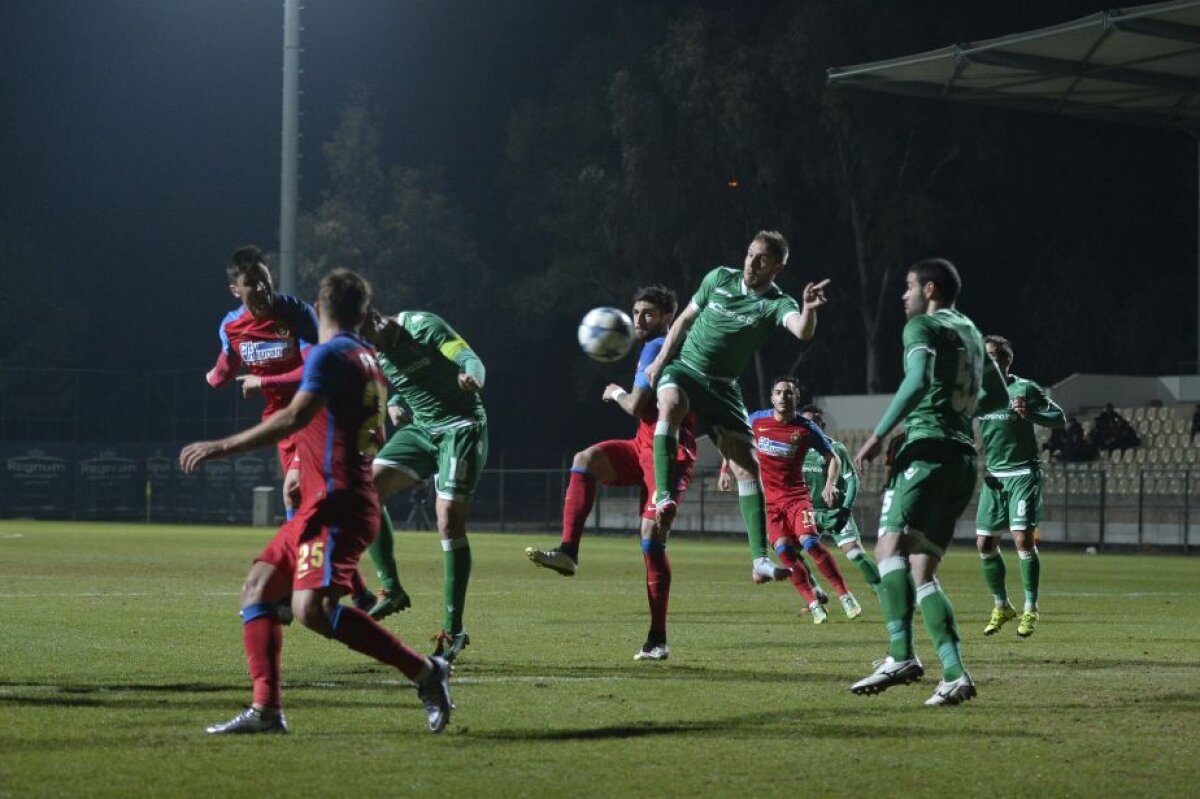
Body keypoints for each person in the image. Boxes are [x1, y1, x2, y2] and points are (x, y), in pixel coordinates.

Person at [181, 269, 451, 735]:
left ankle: (426, 671)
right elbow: (372, 431)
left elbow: (293, 418)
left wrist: (221, 447)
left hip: (336, 503)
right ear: (363, 313)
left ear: (320, 310)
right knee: (259, 588)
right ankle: (266, 710)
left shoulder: (329, 354)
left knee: (312, 610)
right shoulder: (367, 357)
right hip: (327, 499)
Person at [851, 257, 1007, 707]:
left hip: (928, 450)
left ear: (931, 290)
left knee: (887, 549)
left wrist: (878, 437)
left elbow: (918, 381)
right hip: (961, 458)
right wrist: (956, 414)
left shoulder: (922, 327)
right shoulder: (973, 335)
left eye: (908, 286)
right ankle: (955, 674)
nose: (904, 295)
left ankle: (900, 654)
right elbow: (996, 393)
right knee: (921, 570)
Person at [644, 230, 831, 584]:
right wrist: (659, 363)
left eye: (761, 259)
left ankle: (759, 560)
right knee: (670, 402)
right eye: (749, 254)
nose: (751, 263)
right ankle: (665, 496)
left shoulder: (777, 303)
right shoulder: (719, 278)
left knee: (749, 468)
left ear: (778, 266)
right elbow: (684, 319)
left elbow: (802, 332)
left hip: (723, 387)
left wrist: (808, 309)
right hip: (686, 368)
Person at [525, 286, 697, 661]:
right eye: (635, 312)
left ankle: (657, 637)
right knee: (585, 459)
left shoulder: (658, 346)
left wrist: (616, 392)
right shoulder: (658, 346)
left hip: (669, 453)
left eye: (648, 313)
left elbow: (635, 405)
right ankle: (569, 552)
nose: (638, 319)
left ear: (670, 316)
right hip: (643, 445)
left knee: (651, 539)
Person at [206, 245, 375, 611]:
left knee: (294, 490)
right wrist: (216, 377)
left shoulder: (296, 312)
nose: (263, 290)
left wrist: (264, 383)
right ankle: (358, 591)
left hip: (313, 412)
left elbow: (313, 366)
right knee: (307, 501)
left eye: (265, 281)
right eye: (252, 284)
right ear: (236, 290)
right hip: (279, 421)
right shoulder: (231, 325)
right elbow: (229, 361)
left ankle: (293, 582)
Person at [358, 308, 488, 663]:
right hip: (422, 431)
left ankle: (453, 630)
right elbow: (412, 383)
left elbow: (467, 357)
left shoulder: (422, 327)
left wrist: (472, 376)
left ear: (373, 316)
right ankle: (392, 589)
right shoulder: (375, 351)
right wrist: (398, 403)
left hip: (461, 427)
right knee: (365, 493)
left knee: (448, 520)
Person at [719, 378, 857, 624]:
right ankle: (813, 602)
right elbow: (735, 443)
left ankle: (845, 595)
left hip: (796, 498)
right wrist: (724, 471)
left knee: (811, 544)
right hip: (769, 504)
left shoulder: (805, 428)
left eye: (788, 393)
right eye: (778, 392)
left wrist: (830, 483)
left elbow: (832, 457)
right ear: (772, 397)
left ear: (796, 398)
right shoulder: (756, 420)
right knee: (784, 553)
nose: (783, 397)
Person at [974, 335, 1065, 639]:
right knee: (984, 544)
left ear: (1006, 360)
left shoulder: (1024, 388)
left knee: (1021, 539)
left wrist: (1031, 413)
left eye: (991, 357)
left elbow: (1059, 418)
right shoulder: (980, 393)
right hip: (994, 475)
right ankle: (1002, 606)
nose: (987, 362)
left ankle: (1031, 608)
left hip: (1024, 472)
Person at [798, 403, 881, 600]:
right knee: (788, 552)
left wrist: (844, 510)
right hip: (807, 513)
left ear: (822, 425)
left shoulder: (835, 448)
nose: (809, 426)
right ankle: (816, 592)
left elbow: (853, 480)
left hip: (834, 511)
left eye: (814, 422)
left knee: (854, 554)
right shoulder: (795, 451)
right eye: (805, 422)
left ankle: (883, 592)